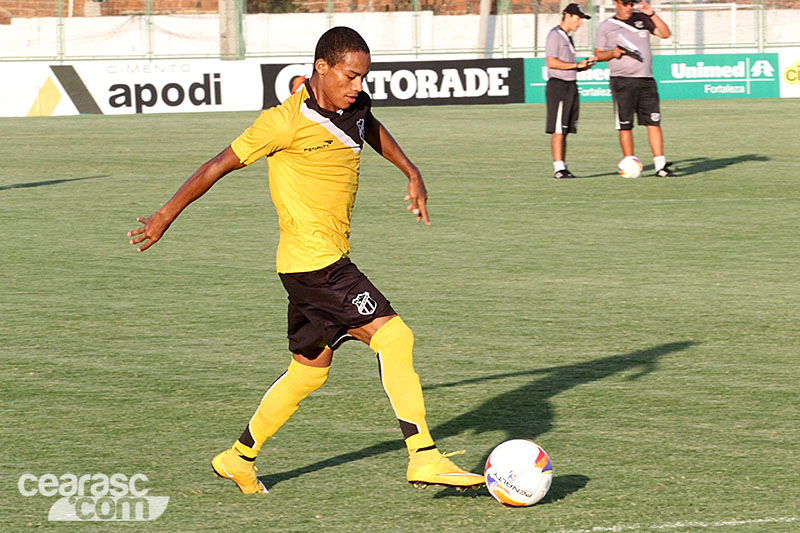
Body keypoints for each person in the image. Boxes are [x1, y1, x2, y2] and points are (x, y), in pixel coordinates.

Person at [128, 26, 484, 495]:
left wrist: (411, 170)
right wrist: (164, 215)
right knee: (394, 337)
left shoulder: (354, 104)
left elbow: (369, 126)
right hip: (317, 265)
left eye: (364, 77)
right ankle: (424, 456)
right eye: (351, 76)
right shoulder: (283, 122)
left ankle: (237, 457)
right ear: (322, 68)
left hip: (312, 264)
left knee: (308, 370)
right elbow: (217, 164)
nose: (359, 86)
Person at [594, 0, 675, 177]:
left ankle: (660, 166)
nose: (629, 7)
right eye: (625, 3)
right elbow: (598, 54)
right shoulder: (606, 26)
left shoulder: (642, 19)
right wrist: (612, 53)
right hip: (622, 81)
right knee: (625, 125)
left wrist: (651, 13)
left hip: (646, 80)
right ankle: (629, 163)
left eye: (631, 3)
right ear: (615, 3)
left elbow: (665, 34)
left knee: (653, 122)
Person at [545, 3, 597, 179]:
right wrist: (576, 65)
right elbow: (551, 62)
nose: (580, 22)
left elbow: (567, 64)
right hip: (558, 86)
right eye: (578, 18)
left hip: (570, 85)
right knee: (558, 129)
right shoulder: (555, 35)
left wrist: (582, 66)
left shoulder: (568, 36)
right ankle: (558, 169)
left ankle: (563, 166)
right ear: (567, 15)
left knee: (565, 129)